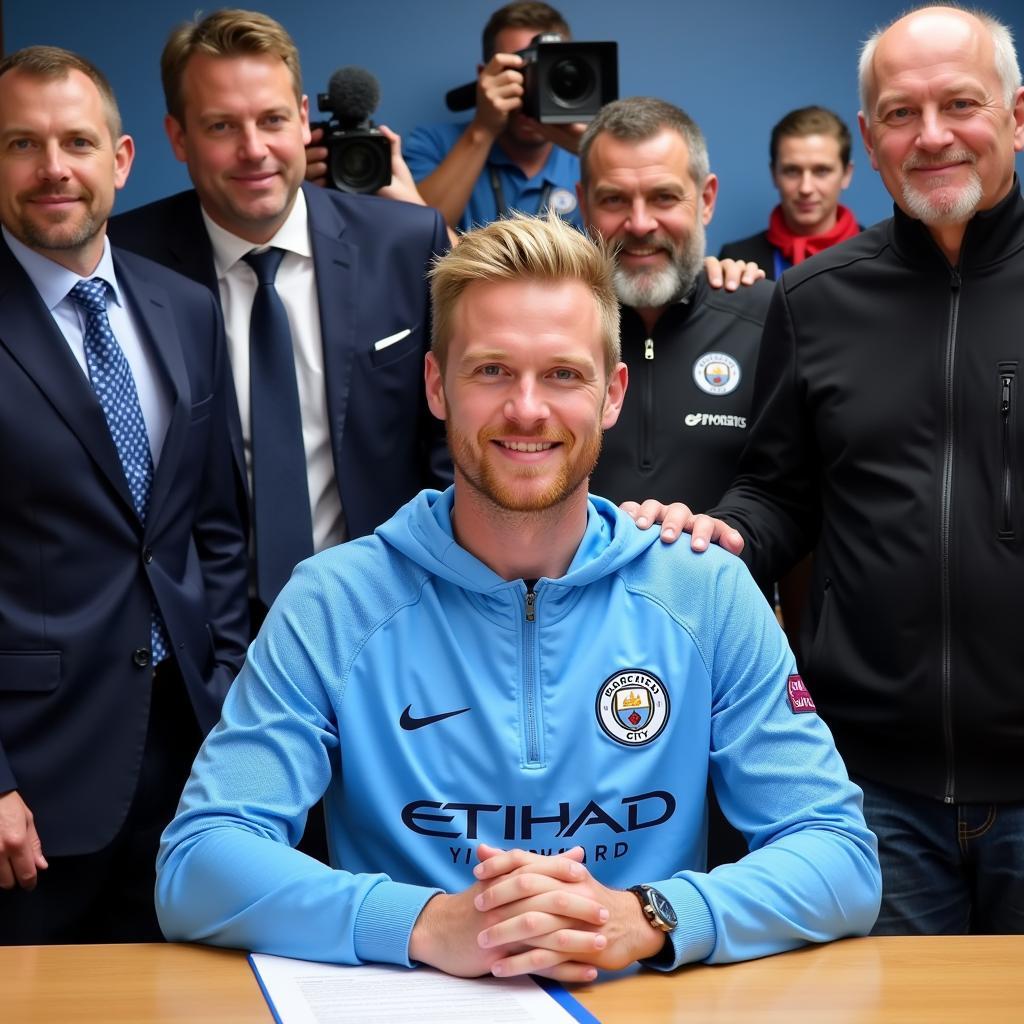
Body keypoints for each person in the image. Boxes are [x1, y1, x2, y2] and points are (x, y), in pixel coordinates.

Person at [156, 213, 880, 979]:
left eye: (564, 374)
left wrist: (646, 916)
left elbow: (838, 858)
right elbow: (198, 865)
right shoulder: (334, 601)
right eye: (491, 370)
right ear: (436, 384)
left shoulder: (704, 591)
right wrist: (428, 923)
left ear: (612, 393)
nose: (527, 409)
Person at [683, 5, 1024, 935]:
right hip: (872, 791)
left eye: (961, 104)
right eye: (902, 114)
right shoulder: (815, 299)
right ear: (870, 140)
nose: (934, 135)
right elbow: (780, 490)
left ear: (1018, 116)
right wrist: (727, 531)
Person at [0, 45, 248, 943]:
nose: (54, 168)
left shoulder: (184, 306)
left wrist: (224, 691)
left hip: (188, 758)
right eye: (21, 144)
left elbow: (213, 527)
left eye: (75, 141)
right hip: (33, 779)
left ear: (124, 158)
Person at [109, 8, 452, 626]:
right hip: (205, 641)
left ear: (301, 118)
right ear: (179, 137)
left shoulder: (405, 243)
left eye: (271, 120)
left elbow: (451, 442)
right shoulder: (123, 262)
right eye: (221, 126)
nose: (254, 150)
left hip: (393, 614)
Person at [579, 97, 773, 513]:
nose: (640, 224)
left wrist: (724, 543)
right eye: (613, 199)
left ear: (705, 199)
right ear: (583, 202)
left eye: (664, 197)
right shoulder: (553, 329)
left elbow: (792, 498)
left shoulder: (768, 320)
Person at [404, 2, 584, 233]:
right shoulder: (433, 144)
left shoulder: (586, 158)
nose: (532, 86)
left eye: (547, 72)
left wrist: (590, 150)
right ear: (484, 77)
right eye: (519, 70)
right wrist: (483, 129)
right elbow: (415, 237)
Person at [719, 106, 858, 279]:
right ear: (774, 174)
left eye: (821, 171)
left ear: (846, 174)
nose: (805, 188)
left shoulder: (879, 254)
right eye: (792, 171)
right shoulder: (736, 261)